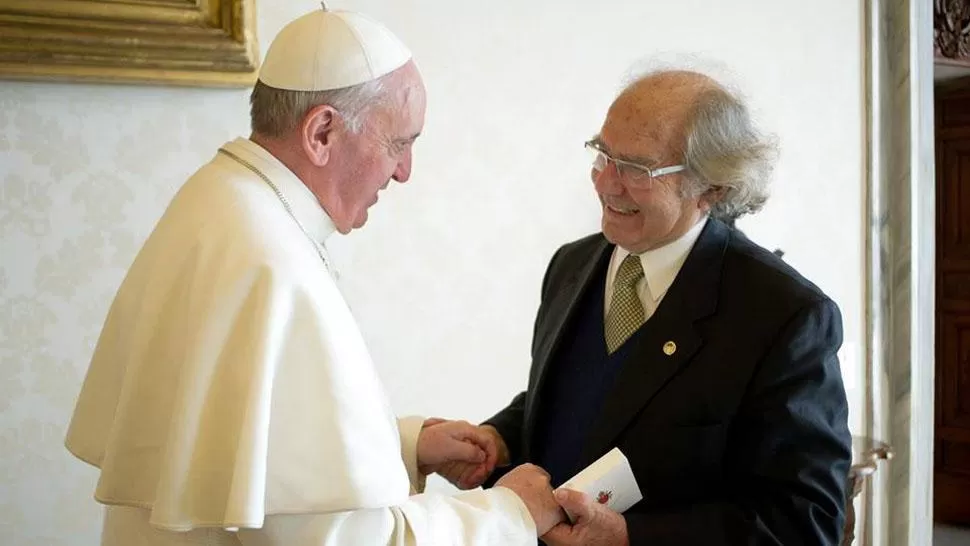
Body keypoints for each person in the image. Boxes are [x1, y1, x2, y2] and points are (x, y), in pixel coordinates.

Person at [64, 6, 563, 546]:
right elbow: (340, 538)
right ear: (322, 131)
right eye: (399, 143)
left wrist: (402, 445)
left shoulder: (221, 200)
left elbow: (249, 455)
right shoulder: (271, 262)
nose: (404, 172)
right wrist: (510, 513)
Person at [437, 68, 853, 545]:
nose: (606, 184)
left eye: (637, 169)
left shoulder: (784, 315)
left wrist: (630, 537)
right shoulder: (572, 265)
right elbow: (581, 397)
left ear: (712, 188)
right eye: (603, 154)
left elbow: (805, 521)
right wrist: (499, 438)